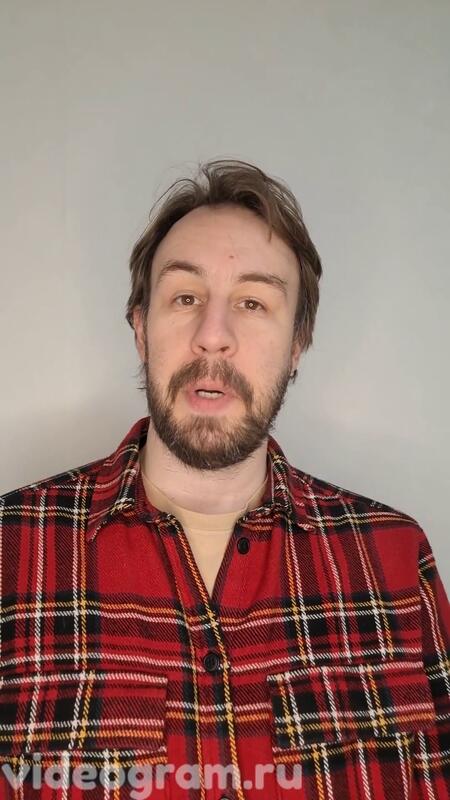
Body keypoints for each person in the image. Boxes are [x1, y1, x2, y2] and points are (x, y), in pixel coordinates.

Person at [0, 160, 448, 800]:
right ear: (140, 329)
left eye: (253, 302)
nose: (213, 337)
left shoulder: (396, 556)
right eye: (185, 298)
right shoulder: (9, 549)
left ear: (298, 343)